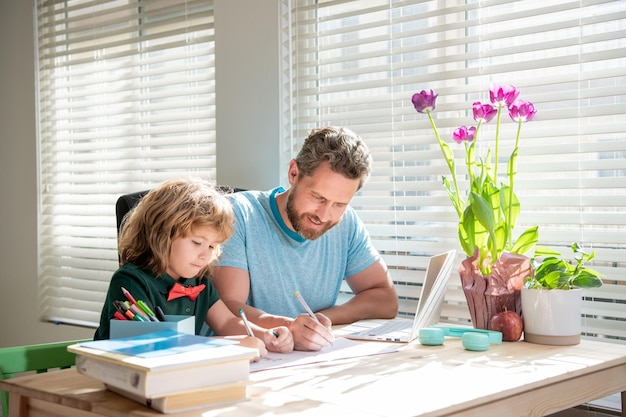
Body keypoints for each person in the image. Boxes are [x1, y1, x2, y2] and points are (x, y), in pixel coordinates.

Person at [212, 126, 399, 351]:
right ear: (293, 173)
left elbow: (386, 299)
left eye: (339, 204)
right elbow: (228, 307)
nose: (324, 215)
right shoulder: (238, 214)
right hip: (245, 359)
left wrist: (321, 320)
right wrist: (289, 326)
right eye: (318, 197)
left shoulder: (346, 223)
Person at [94, 178, 294, 359]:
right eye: (197, 242)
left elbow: (226, 323)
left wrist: (265, 335)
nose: (205, 255)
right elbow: (148, 347)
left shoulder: (200, 281)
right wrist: (228, 345)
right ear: (162, 234)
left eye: (212, 246)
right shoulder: (131, 280)